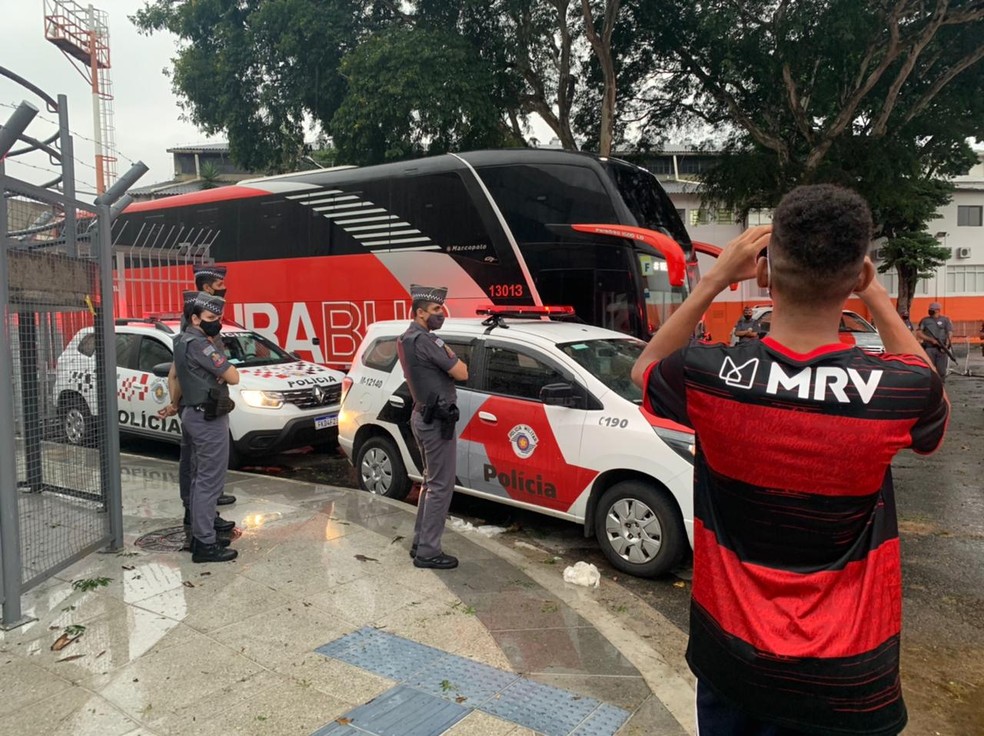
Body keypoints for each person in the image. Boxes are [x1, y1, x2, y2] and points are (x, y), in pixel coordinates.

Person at [631, 185, 948, 736]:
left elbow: (645, 370)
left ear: (764, 275)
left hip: (732, 659)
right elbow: (933, 397)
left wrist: (712, 280)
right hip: (848, 679)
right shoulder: (896, 390)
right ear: (858, 277)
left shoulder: (712, 376)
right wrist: (872, 297)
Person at [397, 284, 468, 570]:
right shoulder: (426, 340)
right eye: (436, 310)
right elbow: (461, 372)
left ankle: (420, 542)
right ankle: (428, 551)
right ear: (420, 313)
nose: (441, 314)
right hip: (436, 420)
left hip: (421, 415)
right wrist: (449, 351)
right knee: (440, 486)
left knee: (430, 483)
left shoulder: (405, 338)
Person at [161, 265, 236, 508]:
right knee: (198, 466)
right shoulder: (193, 334)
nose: (225, 287)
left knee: (203, 468)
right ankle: (197, 515)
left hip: (200, 403)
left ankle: (203, 512)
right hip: (197, 405)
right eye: (219, 284)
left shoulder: (203, 330)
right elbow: (177, 373)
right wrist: (175, 403)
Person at [174, 292, 241, 563]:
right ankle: (205, 543)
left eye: (219, 318)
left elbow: (178, 375)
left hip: (193, 413)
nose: (217, 323)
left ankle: (200, 532)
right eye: (211, 318)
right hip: (207, 418)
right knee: (209, 482)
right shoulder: (202, 345)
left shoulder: (181, 340)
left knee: (197, 476)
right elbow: (233, 376)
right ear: (195, 318)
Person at [916, 302, 953, 381]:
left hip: (941, 348)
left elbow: (949, 332)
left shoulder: (945, 320)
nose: (930, 311)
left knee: (941, 370)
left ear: (938, 310)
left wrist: (947, 343)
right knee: (929, 369)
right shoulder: (925, 320)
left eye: (932, 310)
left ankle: (941, 385)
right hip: (929, 348)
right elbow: (919, 333)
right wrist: (930, 340)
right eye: (930, 309)